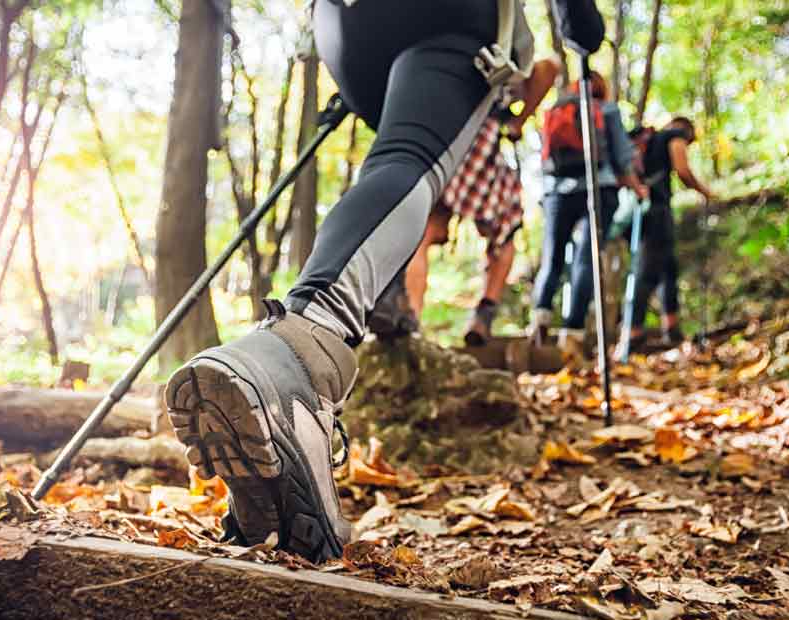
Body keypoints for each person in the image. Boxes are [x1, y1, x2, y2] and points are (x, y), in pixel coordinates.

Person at [163, 0, 605, 563]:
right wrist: (581, 28)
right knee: (409, 160)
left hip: (343, 32)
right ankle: (303, 356)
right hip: (447, 23)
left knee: (397, 159)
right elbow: (568, 36)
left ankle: (277, 481)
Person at [390, 57, 560, 346]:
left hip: (437, 143)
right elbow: (550, 67)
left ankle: (412, 320)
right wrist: (518, 121)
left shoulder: (437, 57)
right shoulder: (500, 50)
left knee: (423, 234)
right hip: (478, 145)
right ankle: (484, 314)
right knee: (505, 234)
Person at [529, 73, 645, 347]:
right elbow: (622, 157)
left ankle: (540, 319)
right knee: (586, 257)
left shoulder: (557, 109)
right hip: (598, 188)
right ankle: (573, 332)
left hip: (557, 192)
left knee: (553, 257)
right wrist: (637, 188)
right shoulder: (607, 110)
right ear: (601, 89)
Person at [625, 116, 716, 350]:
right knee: (647, 271)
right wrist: (705, 191)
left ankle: (671, 329)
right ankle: (633, 334)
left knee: (668, 268)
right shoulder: (674, 136)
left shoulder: (648, 140)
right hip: (656, 210)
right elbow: (682, 170)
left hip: (638, 211)